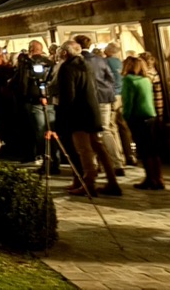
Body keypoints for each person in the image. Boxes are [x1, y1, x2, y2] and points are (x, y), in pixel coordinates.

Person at [56, 40, 122, 197]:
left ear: (65, 52)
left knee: (84, 149)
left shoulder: (68, 68)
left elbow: (68, 95)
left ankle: (89, 183)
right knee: (98, 146)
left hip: (78, 113)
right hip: (93, 110)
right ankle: (112, 181)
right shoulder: (86, 65)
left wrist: (64, 116)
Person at [75, 34, 127, 176]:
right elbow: (110, 79)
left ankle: (95, 165)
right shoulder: (100, 60)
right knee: (105, 130)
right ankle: (117, 163)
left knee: (89, 132)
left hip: (88, 100)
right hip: (104, 98)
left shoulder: (78, 61)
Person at [16, 39, 61, 173]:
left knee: (41, 133)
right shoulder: (50, 63)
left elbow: (23, 83)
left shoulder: (27, 64)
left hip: (35, 101)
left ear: (31, 49)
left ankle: (47, 163)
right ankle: (55, 162)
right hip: (50, 101)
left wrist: (24, 96)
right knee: (52, 132)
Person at [121, 56, 165, 190]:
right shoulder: (146, 80)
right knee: (153, 149)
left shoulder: (128, 80)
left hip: (138, 117)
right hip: (151, 116)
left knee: (144, 150)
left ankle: (150, 178)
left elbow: (128, 102)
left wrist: (125, 117)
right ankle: (158, 178)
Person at [104, 42, 137, 166]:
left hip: (112, 96)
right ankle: (130, 155)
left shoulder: (106, 62)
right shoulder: (119, 62)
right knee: (123, 126)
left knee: (112, 127)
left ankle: (119, 156)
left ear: (108, 51)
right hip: (122, 96)